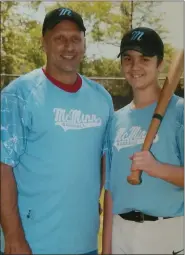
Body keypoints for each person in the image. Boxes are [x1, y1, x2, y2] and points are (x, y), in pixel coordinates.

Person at [0, 7, 114, 255]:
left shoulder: (101, 98)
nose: (68, 46)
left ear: (84, 44)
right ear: (44, 43)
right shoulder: (18, 95)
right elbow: (3, 168)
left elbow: (104, 157)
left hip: (84, 242)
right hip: (33, 243)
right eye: (59, 38)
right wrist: (13, 236)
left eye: (75, 39)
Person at [102, 27, 184, 254]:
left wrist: (156, 168)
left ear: (160, 64)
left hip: (164, 231)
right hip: (121, 233)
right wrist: (106, 249)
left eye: (145, 59)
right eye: (128, 58)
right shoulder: (116, 120)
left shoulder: (179, 112)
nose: (135, 66)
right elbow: (110, 190)